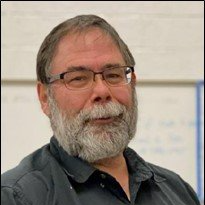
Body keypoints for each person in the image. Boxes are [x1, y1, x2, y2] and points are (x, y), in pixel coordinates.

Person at [1, 14, 200, 205]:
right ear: (45, 98)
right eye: (78, 78)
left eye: (113, 75)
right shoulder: (17, 198)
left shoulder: (177, 191)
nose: (102, 91)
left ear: (132, 85)